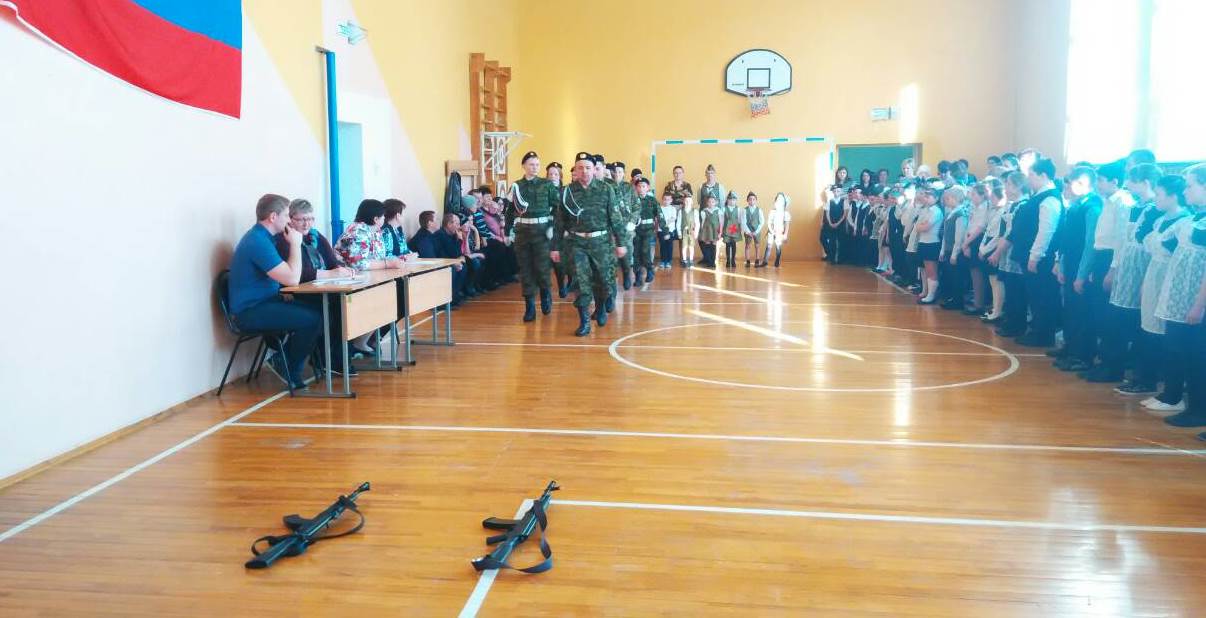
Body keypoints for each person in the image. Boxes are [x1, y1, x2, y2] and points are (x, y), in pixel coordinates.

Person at [228, 194, 321, 390]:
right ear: (273, 217)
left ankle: (287, 360)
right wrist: (295, 244)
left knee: (319, 309)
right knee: (313, 319)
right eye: (286, 215)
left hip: (266, 302)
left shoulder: (263, 238)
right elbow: (292, 279)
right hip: (249, 311)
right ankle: (286, 364)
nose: (289, 221)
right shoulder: (257, 241)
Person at [1100, 163, 1163, 394]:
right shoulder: (1137, 206)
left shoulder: (1156, 209)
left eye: (1132, 181)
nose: (1127, 185)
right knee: (1117, 319)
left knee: (1139, 325)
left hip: (1144, 272)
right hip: (1127, 268)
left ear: (1146, 182)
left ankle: (1142, 376)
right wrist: (1114, 268)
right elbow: (1123, 240)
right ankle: (1114, 367)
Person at [552, 152, 629, 336]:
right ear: (575, 170)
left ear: (594, 170)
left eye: (588, 167)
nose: (584, 171)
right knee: (581, 282)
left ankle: (600, 308)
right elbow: (559, 222)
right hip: (577, 243)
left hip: (601, 243)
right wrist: (555, 247)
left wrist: (621, 242)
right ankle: (584, 321)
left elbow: (616, 218)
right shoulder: (567, 192)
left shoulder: (605, 189)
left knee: (603, 280)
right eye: (580, 168)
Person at [1135, 175, 1191, 411]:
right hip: (1154, 274)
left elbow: (1168, 250)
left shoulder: (1184, 222)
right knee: (1151, 331)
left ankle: (1172, 393)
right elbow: (1147, 244)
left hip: (1172, 279)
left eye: (1159, 194)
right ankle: (1159, 387)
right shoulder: (1160, 220)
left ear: (1173, 196)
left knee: (1170, 337)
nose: (1155, 198)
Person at [1158, 163, 1206, 426]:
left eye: (1190, 185)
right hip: (1185, 296)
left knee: (1199, 356)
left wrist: (1199, 305)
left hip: (1198, 299)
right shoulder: (1197, 217)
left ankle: (1199, 411)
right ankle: (1195, 407)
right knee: (1189, 355)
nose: (1185, 191)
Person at [1080, 162, 1133, 382]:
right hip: (1101, 258)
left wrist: (1112, 270)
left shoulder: (1123, 203)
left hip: (1112, 259)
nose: (1098, 184)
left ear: (1114, 181)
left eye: (1101, 180)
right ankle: (1104, 361)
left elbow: (1121, 240)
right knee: (1099, 313)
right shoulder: (1107, 201)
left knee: (1111, 316)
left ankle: (1113, 366)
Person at [1052, 167, 1102, 372]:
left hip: (1082, 265)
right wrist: (1061, 264)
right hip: (1070, 263)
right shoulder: (1075, 205)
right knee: (1071, 309)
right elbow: (1066, 240)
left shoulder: (1092, 207)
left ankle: (1082, 355)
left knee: (1082, 311)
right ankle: (1071, 347)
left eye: (1071, 183)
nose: (1067, 187)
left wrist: (1081, 274)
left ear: (1083, 184)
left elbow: (1090, 243)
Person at [1010, 158, 1063, 346]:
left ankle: (1043, 334)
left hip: (1041, 258)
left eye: (1031, 175)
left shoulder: (1050, 199)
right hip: (1031, 255)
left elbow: (1046, 231)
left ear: (1043, 175)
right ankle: (1037, 330)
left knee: (1043, 296)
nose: (1029, 179)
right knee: (1035, 295)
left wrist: (1035, 256)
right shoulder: (1039, 196)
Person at [509, 151, 559, 322]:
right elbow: (510, 210)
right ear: (524, 166)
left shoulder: (547, 185)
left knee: (542, 268)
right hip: (523, 232)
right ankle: (529, 306)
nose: (535, 168)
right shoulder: (516, 186)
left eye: (537, 165)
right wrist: (508, 231)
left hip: (542, 231)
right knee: (525, 269)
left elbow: (557, 207)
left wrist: (552, 226)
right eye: (531, 164)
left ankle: (545, 295)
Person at [990, 172, 1031, 336]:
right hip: (1005, 252)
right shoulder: (1012, 205)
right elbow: (1003, 231)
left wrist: (998, 251)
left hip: (1014, 252)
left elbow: (1013, 233)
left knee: (1017, 290)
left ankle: (1016, 325)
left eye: (1008, 184)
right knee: (1010, 289)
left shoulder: (1023, 205)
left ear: (1017, 186)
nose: (1005, 188)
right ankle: (1010, 321)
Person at [412, 210, 468, 307]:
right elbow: (430, 259)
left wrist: (453, 261)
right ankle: (443, 301)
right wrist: (451, 263)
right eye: (437, 220)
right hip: (422, 269)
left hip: (433, 263)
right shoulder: (423, 238)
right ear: (430, 223)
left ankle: (452, 297)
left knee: (461, 266)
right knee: (451, 270)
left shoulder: (433, 235)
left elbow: (441, 253)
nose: (440, 222)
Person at [334, 199, 406, 273]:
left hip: (369, 275)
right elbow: (358, 264)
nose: (384, 218)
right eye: (383, 216)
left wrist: (396, 259)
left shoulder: (375, 230)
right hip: (349, 276)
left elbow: (378, 257)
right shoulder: (358, 231)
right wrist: (388, 264)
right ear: (376, 219)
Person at [976, 179, 1008, 322]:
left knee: (996, 282)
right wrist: (982, 248)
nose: (991, 200)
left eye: (993, 197)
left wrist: (986, 249)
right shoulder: (993, 211)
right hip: (987, 247)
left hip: (995, 248)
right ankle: (995, 308)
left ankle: (997, 310)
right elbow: (987, 231)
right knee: (991, 281)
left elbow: (997, 236)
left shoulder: (1003, 212)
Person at [938, 185, 970, 310]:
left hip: (954, 251)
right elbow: (946, 235)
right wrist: (942, 250)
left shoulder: (960, 214)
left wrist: (954, 254)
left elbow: (959, 237)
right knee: (950, 276)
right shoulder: (950, 214)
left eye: (948, 199)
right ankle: (952, 297)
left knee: (957, 277)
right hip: (948, 249)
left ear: (956, 199)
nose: (946, 201)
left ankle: (957, 300)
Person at [609, 161, 639, 289]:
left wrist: (632, 221)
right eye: (615, 172)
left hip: (626, 227)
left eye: (620, 171)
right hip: (611, 227)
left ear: (624, 173)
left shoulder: (629, 187)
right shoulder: (607, 186)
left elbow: (636, 206)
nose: (617, 174)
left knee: (627, 253)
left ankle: (626, 274)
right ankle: (613, 280)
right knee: (612, 255)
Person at [913, 183, 944, 304]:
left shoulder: (936, 211)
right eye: (925, 196)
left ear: (936, 198)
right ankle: (926, 292)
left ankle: (931, 295)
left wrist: (921, 225)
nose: (926, 198)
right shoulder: (925, 210)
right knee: (925, 269)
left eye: (929, 196)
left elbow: (925, 227)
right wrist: (920, 225)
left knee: (932, 271)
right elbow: (917, 225)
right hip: (923, 241)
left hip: (932, 242)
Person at [632, 177, 666, 283]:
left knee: (645, 250)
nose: (641, 188)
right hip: (636, 230)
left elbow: (659, 215)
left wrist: (665, 229)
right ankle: (638, 275)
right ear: (636, 188)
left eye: (643, 186)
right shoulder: (632, 200)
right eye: (639, 186)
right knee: (636, 253)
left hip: (648, 230)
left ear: (648, 188)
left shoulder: (652, 200)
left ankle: (649, 270)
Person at [764, 192, 792, 267]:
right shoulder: (772, 212)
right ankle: (765, 261)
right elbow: (769, 222)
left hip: (779, 232)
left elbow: (787, 224)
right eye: (777, 200)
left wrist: (785, 234)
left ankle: (777, 261)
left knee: (778, 246)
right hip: (771, 231)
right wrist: (771, 230)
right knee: (769, 246)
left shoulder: (785, 213)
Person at [821, 184, 846, 264]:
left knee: (841, 241)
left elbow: (844, 214)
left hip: (841, 224)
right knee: (832, 241)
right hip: (831, 224)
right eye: (834, 191)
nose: (836, 193)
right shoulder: (830, 201)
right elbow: (827, 213)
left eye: (838, 191)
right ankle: (832, 258)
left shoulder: (844, 201)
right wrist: (830, 223)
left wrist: (838, 223)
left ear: (841, 192)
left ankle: (840, 259)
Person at [698, 194, 722, 268]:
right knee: (707, 245)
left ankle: (713, 262)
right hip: (707, 230)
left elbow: (721, 222)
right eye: (709, 202)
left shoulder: (718, 210)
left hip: (715, 230)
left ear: (715, 202)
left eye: (713, 202)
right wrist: (702, 231)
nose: (711, 203)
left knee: (713, 245)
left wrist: (720, 232)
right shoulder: (704, 211)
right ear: (707, 203)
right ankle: (709, 261)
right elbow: (702, 222)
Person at [741, 192, 765, 268]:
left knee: (757, 245)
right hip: (748, 231)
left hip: (756, 231)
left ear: (756, 200)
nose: (752, 201)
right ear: (747, 200)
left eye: (753, 199)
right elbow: (743, 222)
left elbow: (762, 221)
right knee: (747, 245)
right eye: (750, 199)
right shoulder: (744, 210)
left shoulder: (759, 210)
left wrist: (756, 231)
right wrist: (748, 232)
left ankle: (757, 260)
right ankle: (747, 261)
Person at [658, 191, 679, 269]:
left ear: (671, 200)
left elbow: (673, 218)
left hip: (670, 230)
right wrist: (662, 226)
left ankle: (669, 261)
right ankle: (663, 261)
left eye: (668, 199)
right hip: (661, 230)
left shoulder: (673, 208)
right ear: (662, 200)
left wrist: (665, 223)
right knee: (662, 246)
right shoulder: (659, 208)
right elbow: (658, 218)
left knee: (669, 246)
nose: (666, 201)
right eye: (665, 199)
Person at [721, 191, 742, 268]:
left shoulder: (738, 209)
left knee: (733, 245)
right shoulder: (724, 209)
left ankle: (733, 260)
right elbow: (722, 220)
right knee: (727, 245)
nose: (731, 201)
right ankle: (728, 260)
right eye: (730, 199)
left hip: (734, 230)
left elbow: (739, 220)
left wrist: (740, 229)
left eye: (733, 199)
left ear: (736, 200)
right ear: (727, 200)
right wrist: (721, 230)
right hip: (727, 230)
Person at [679, 194, 700, 267]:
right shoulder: (681, 211)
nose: (687, 202)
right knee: (684, 247)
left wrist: (696, 232)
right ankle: (684, 260)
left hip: (692, 232)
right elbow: (678, 222)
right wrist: (679, 232)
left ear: (692, 202)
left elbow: (697, 223)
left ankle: (691, 260)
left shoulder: (695, 211)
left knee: (691, 247)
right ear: (684, 202)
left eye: (689, 201)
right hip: (684, 232)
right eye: (686, 201)